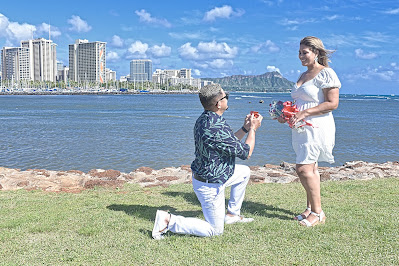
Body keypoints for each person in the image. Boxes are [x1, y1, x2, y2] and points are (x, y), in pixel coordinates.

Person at [152, 83, 263, 239]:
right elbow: (246, 153)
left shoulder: (206, 119)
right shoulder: (216, 126)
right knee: (215, 231)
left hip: (215, 173)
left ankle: (232, 215)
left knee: (244, 172)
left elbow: (230, 143)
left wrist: (244, 129)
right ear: (219, 104)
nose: (227, 99)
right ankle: (168, 221)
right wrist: (253, 129)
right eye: (226, 97)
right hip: (210, 184)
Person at [279, 36, 341, 227]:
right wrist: (286, 115)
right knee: (310, 168)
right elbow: (299, 102)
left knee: (303, 168)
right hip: (300, 127)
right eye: (299, 52)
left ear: (316, 53)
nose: (301, 56)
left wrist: (305, 112)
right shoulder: (302, 75)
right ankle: (309, 208)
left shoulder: (326, 73)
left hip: (317, 126)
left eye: (305, 52)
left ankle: (318, 212)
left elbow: (332, 103)